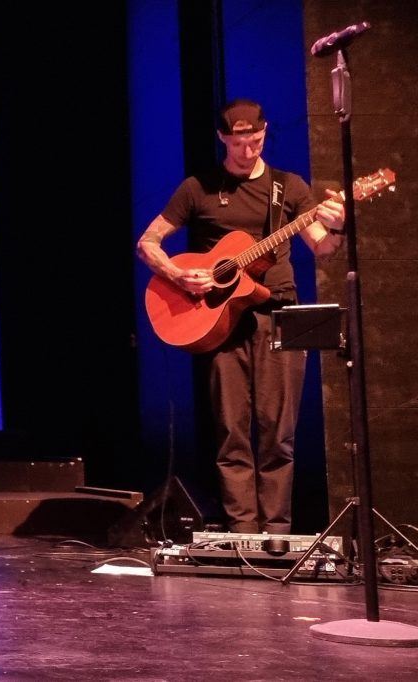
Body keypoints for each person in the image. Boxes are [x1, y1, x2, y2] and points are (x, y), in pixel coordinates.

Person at [135, 98, 345, 534]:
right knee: (231, 431)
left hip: (278, 314)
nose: (248, 151)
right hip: (220, 320)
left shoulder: (288, 187)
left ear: (265, 133)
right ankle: (242, 533)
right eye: (238, 143)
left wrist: (339, 224)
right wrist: (178, 274)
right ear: (222, 138)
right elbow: (148, 242)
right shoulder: (198, 188)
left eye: (256, 141)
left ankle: (277, 534)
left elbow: (323, 248)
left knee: (278, 431)